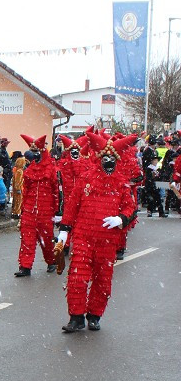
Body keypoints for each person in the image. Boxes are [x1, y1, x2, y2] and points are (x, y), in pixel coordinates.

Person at [58, 134, 137, 332]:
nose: (108, 161)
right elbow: (72, 206)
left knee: (102, 280)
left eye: (112, 158)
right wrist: (64, 230)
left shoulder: (121, 183)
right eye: (105, 158)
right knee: (77, 277)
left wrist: (121, 219)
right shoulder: (85, 179)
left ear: (116, 161)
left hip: (108, 241)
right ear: (99, 159)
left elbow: (130, 207)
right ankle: (76, 317)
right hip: (83, 237)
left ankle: (94, 315)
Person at [14, 134, 60, 277]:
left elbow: (55, 192)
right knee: (27, 239)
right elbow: (26, 191)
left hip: (46, 211)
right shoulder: (29, 170)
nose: (35, 156)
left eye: (37, 152)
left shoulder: (51, 169)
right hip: (29, 210)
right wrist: (23, 210)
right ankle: (25, 267)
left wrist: (57, 212)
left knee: (46, 240)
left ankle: (52, 261)